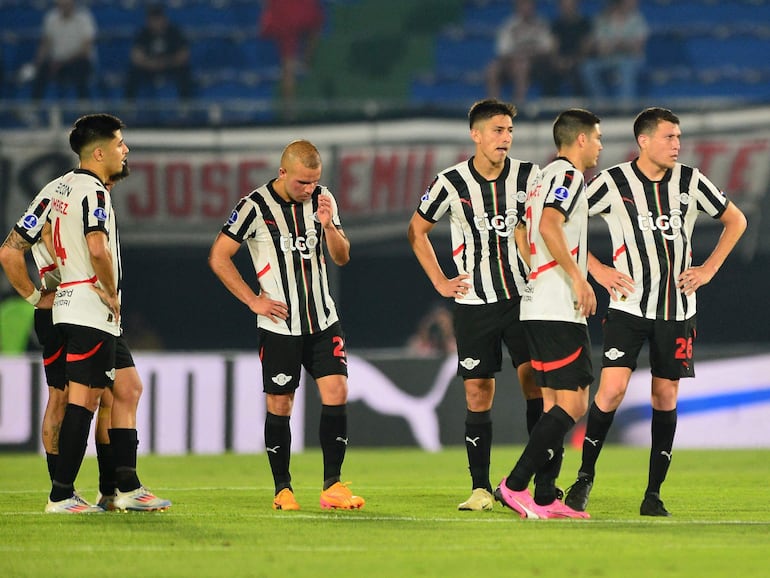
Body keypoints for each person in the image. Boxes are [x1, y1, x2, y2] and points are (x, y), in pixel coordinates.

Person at [564, 107, 747, 516]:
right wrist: (598, 270)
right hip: (628, 307)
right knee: (611, 391)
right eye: (669, 137)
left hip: (678, 310)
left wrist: (709, 268)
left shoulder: (690, 181)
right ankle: (584, 478)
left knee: (664, 396)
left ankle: (653, 495)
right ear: (643, 141)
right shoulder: (613, 182)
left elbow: (736, 220)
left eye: (679, 137)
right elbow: (564, 224)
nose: (677, 144)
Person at [407, 99, 549, 512]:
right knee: (477, 392)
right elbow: (417, 230)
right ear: (476, 134)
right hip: (474, 303)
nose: (505, 138)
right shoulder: (450, 183)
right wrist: (439, 281)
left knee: (534, 386)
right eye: (498, 130)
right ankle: (481, 489)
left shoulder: (529, 175)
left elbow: (549, 228)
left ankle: (539, 484)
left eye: (509, 131)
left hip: (525, 299)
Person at [208, 139, 365, 511]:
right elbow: (219, 256)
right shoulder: (253, 207)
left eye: (314, 182)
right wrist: (253, 300)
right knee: (281, 403)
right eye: (302, 183)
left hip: (323, 319)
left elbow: (341, 257)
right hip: (279, 324)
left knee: (337, 391)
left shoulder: (324, 199)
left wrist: (329, 227)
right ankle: (283, 488)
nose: (309, 189)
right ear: (282, 173)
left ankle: (333, 486)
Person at [44, 113, 171, 513]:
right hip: (90, 307)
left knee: (128, 388)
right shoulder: (95, 192)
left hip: (70, 305)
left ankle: (123, 487)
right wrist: (109, 290)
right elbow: (97, 247)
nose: (125, 149)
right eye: (119, 144)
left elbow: (17, 242)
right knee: (84, 399)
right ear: (99, 152)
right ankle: (61, 494)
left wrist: (38, 292)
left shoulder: (55, 188)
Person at [495, 108, 602, 520]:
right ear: (579, 140)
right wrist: (577, 277)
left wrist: (537, 269)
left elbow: (522, 232)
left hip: (536, 299)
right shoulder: (569, 177)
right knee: (574, 404)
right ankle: (515, 484)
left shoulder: (539, 179)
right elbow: (550, 226)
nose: (600, 146)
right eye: (596, 138)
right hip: (558, 305)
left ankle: (544, 496)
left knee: (552, 404)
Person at [0, 186, 117, 499]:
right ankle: (66, 490)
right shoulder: (64, 208)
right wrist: (37, 297)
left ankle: (93, 490)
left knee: (84, 397)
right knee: (76, 397)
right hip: (69, 308)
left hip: (71, 309)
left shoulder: (55, 205)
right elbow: (12, 252)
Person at [259, 0, 324, 113]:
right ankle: (306, 61)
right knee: (288, 65)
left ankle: (289, 111)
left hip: (284, 12)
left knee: (288, 65)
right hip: (290, 11)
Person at [485, 0, 555, 103]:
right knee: (492, 69)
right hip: (510, 62)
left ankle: (518, 104)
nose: (526, 7)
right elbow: (502, 50)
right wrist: (515, 58)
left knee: (522, 66)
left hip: (536, 65)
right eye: (523, 4)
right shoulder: (509, 25)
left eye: (529, 4)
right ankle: (494, 106)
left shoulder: (541, 24)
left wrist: (528, 54)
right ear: (517, 7)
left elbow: (547, 48)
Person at [580, 0, 649, 102]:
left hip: (631, 59)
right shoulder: (601, 21)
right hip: (608, 59)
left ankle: (625, 106)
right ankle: (600, 103)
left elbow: (637, 47)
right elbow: (602, 49)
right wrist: (620, 45)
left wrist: (619, 45)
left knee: (626, 66)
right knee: (587, 67)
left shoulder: (636, 19)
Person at [124, 3, 195, 101]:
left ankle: (186, 105)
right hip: (148, 67)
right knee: (133, 73)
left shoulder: (174, 32)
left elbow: (184, 54)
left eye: (158, 18)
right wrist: (151, 63)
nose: (155, 22)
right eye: (152, 19)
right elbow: (135, 56)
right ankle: (129, 105)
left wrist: (166, 62)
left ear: (164, 19)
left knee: (185, 72)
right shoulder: (143, 33)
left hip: (170, 66)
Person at [30, 0, 96, 100]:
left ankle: (84, 108)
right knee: (41, 70)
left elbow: (85, 50)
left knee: (81, 69)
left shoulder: (84, 18)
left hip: (77, 61)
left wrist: (64, 62)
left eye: (66, 4)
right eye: (60, 5)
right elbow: (46, 44)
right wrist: (37, 63)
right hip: (56, 63)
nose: (63, 7)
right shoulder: (51, 17)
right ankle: (34, 107)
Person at [541, 0, 593, 98]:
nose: (567, 8)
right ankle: (550, 106)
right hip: (561, 61)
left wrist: (573, 61)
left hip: (579, 60)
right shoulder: (556, 25)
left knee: (580, 71)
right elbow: (553, 47)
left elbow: (586, 48)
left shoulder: (585, 24)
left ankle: (579, 107)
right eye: (564, 6)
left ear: (576, 6)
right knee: (548, 71)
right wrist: (558, 61)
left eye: (570, 5)